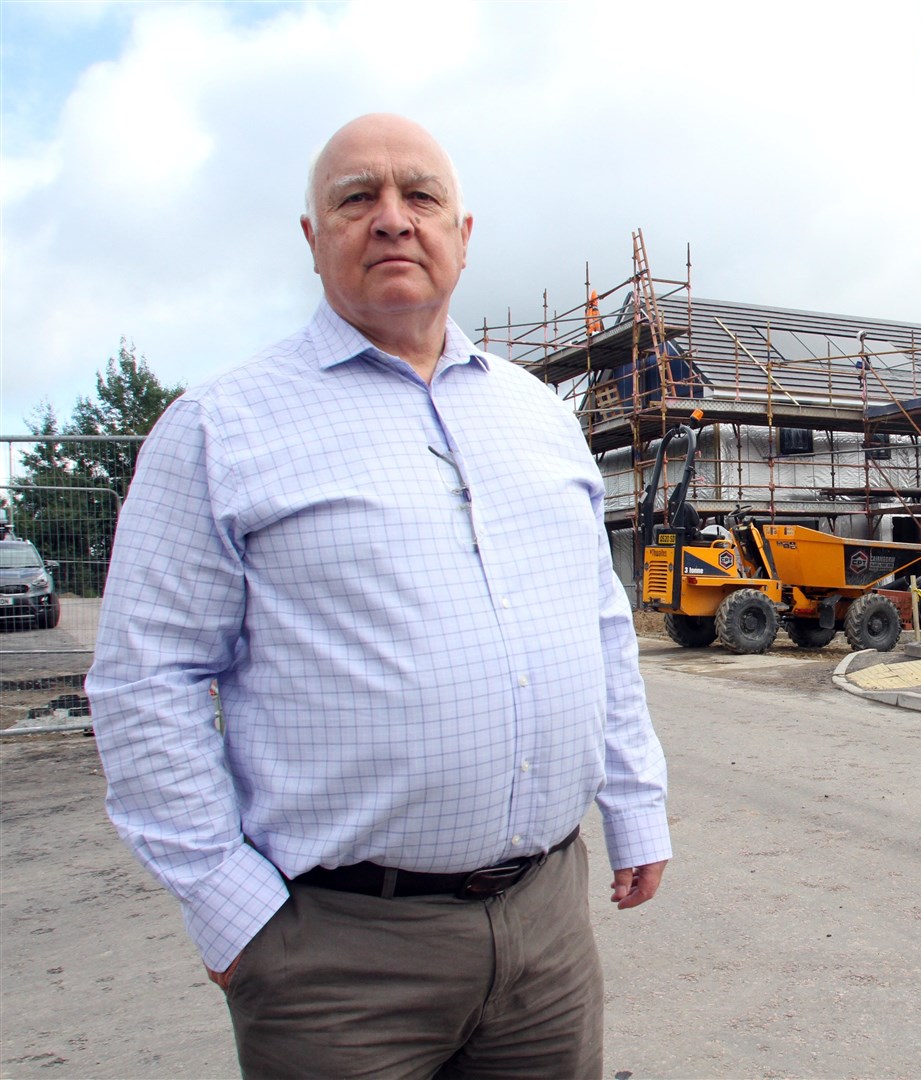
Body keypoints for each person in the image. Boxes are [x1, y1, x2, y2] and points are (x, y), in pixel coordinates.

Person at [86, 113, 671, 1079]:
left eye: (420, 196)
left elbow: (601, 624)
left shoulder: (540, 418)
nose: (393, 219)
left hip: (546, 933)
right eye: (358, 198)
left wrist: (635, 806)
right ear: (314, 241)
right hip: (337, 959)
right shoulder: (219, 429)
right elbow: (147, 678)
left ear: (463, 233)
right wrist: (230, 907)